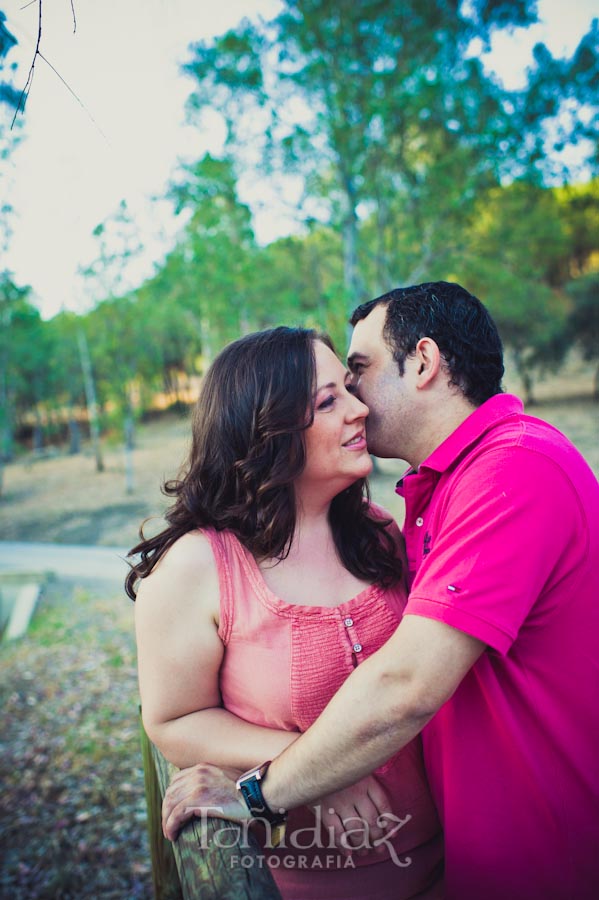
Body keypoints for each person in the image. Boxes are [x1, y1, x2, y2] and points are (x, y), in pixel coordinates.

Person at [164, 283, 599, 900]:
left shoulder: (515, 469)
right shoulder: (447, 489)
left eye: (359, 372)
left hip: (548, 856)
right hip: (471, 855)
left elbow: (405, 685)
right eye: (333, 392)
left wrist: (263, 791)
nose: (358, 404)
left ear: (423, 363)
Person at [128, 326, 444, 900]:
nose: (359, 409)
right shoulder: (196, 567)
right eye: (328, 401)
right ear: (265, 431)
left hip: (449, 864)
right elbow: (172, 722)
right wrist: (311, 770)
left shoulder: (380, 536)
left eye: (349, 389)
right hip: (301, 881)